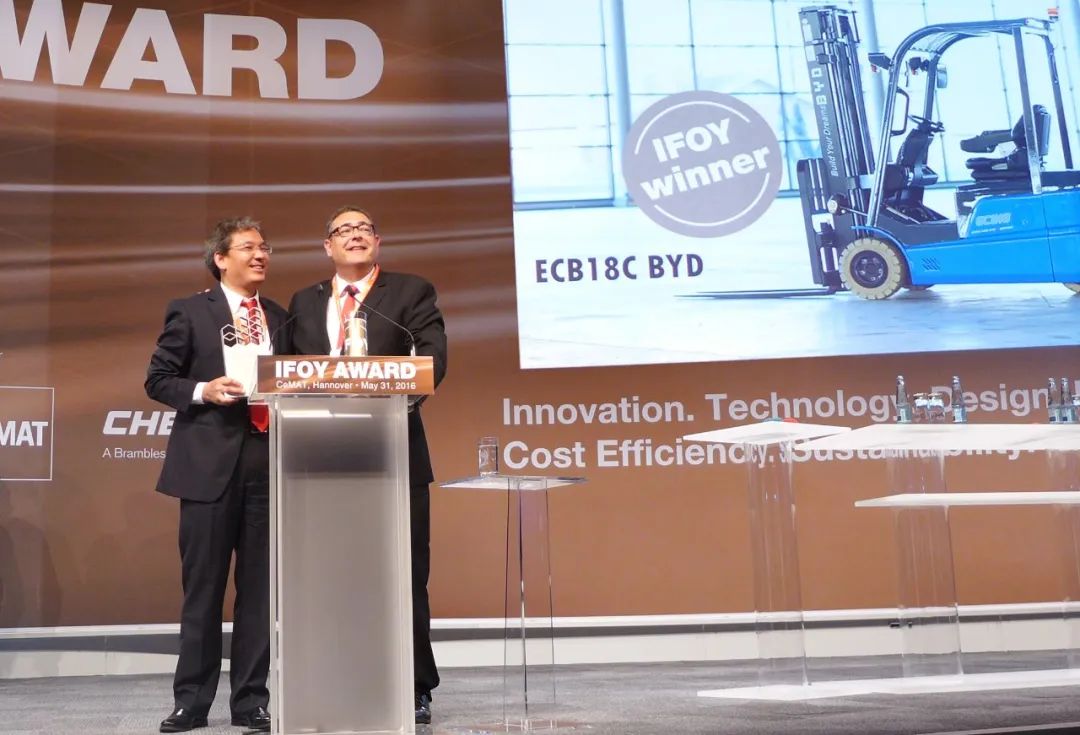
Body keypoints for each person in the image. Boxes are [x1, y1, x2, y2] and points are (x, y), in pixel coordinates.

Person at [286, 206, 447, 725]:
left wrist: (387, 394)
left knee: (404, 576)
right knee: (328, 575)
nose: (354, 235)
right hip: (318, 458)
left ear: (377, 241)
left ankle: (414, 686)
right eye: (343, 230)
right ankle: (331, 680)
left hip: (394, 452)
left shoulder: (409, 292)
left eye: (363, 229)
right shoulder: (304, 302)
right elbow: (283, 373)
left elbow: (433, 360)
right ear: (327, 246)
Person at [146, 217, 287, 733]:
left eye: (265, 247)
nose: (261, 254)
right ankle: (191, 702)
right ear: (220, 259)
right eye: (248, 247)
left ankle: (251, 702)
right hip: (208, 466)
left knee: (259, 593)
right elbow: (158, 379)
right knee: (203, 591)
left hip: (268, 463)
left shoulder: (280, 316)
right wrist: (203, 390)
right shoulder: (190, 310)